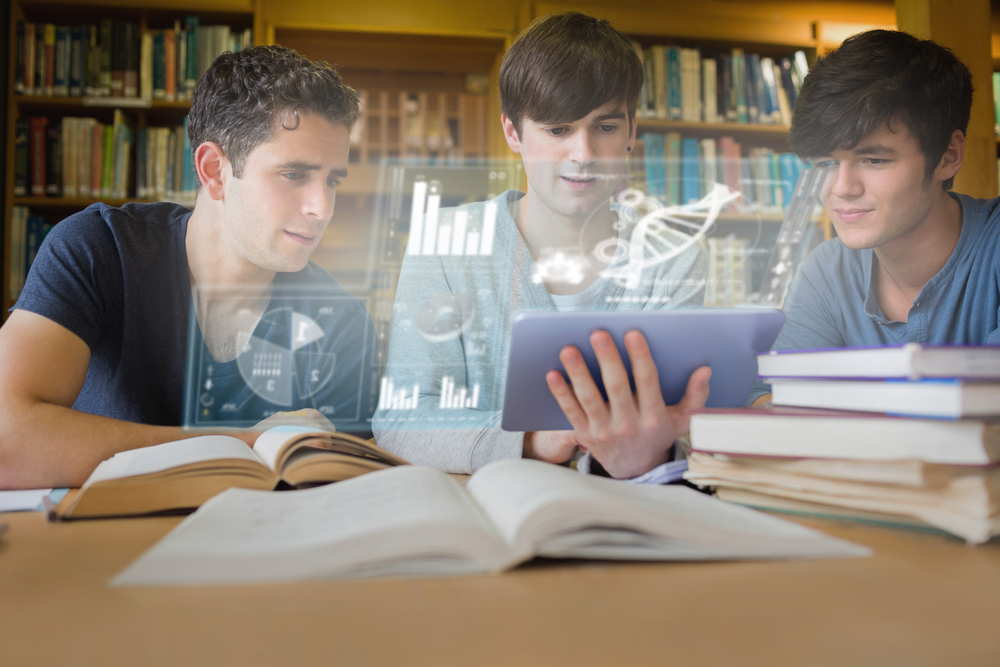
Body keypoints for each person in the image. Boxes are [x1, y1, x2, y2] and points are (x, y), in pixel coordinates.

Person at [0, 46, 377, 488]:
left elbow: (344, 495)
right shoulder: (97, 248)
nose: (322, 207)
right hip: (97, 549)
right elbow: (9, 442)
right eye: (294, 174)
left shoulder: (343, 322)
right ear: (215, 170)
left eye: (332, 180)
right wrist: (241, 442)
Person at [373, 12, 711, 479]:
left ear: (632, 130)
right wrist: (534, 440)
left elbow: (680, 429)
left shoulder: (673, 259)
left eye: (606, 127)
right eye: (557, 130)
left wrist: (647, 450)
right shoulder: (445, 244)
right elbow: (402, 421)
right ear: (513, 133)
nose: (583, 154)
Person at [747, 30, 1000, 407]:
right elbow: (769, 396)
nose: (841, 188)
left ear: (948, 156)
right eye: (825, 163)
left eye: (874, 159)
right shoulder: (826, 271)